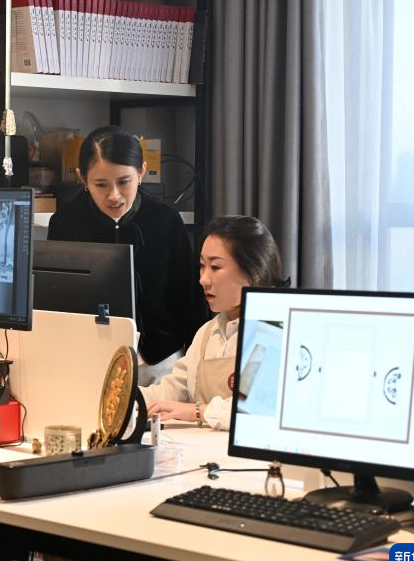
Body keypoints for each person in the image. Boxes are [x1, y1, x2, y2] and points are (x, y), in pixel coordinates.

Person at [47, 125, 209, 383]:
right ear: (82, 178)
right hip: (94, 360)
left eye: (124, 182)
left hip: (162, 361)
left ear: (141, 172)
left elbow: (188, 297)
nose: (114, 196)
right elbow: (57, 302)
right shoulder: (65, 224)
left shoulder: (166, 220)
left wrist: (197, 362)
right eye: (101, 184)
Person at [142, 215, 285, 430]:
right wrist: (125, 397)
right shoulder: (207, 332)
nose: (203, 279)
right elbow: (172, 389)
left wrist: (196, 412)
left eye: (215, 267)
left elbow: (254, 409)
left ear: (254, 273)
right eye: (202, 266)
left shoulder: (273, 330)